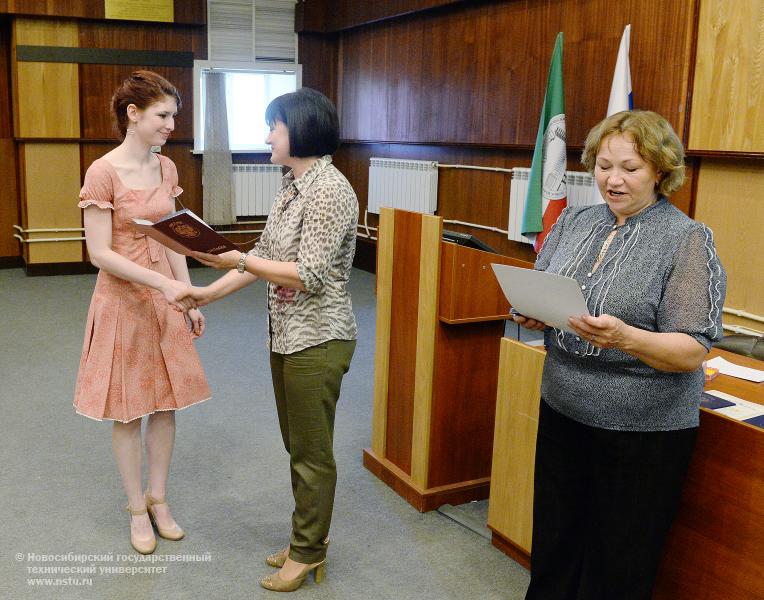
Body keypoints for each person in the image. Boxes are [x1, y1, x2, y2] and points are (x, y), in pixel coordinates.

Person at [513, 110, 726, 600]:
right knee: (554, 544)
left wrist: (628, 338)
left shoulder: (686, 239)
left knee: (618, 562)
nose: (613, 179)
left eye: (629, 168)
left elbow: (692, 349)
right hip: (563, 410)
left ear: (660, 170)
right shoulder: (574, 220)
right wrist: (531, 311)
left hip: (641, 432)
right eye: (603, 165)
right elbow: (544, 286)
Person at [175, 87, 358, 592]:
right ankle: (307, 540)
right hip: (286, 334)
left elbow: (310, 274)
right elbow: (263, 253)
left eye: (272, 126)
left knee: (311, 452)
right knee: (297, 444)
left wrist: (234, 260)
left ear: (299, 130)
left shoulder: (330, 189)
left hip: (319, 338)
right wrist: (208, 293)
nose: (267, 136)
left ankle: (307, 552)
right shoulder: (292, 185)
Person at [74, 71, 210, 555]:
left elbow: (172, 234)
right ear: (133, 114)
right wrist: (163, 285)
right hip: (123, 299)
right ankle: (136, 508)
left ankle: (159, 498)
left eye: (174, 115)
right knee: (129, 409)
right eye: (163, 115)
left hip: (165, 294)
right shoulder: (102, 172)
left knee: (167, 403)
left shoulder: (166, 167)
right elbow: (99, 253)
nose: (172, 124)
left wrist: (188, 293)